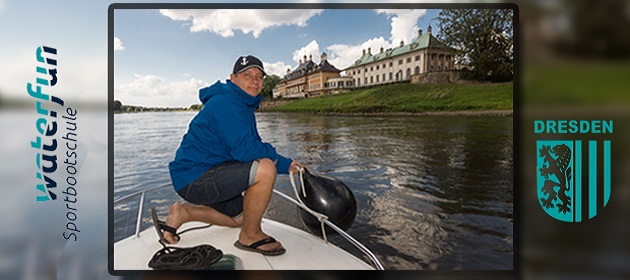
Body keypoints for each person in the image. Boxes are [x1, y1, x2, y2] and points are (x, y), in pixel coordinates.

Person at [156, 55, 303, 256]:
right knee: (265, 168)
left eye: (259, 76)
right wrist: (286, 164)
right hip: (195, 177)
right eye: (247, 75)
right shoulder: (225, 103)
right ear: (233, 78)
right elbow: (247, 150)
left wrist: (289, 165)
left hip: (204, 173)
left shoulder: (242, 105)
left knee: (242, 218)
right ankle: (250, 237)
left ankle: (183, 213)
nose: (255, 81)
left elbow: (252, 146)